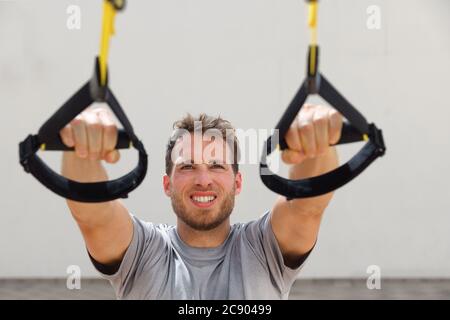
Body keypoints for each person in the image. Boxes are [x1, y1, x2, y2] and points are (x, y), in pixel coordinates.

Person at [60, 104, 343, 299]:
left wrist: (315, 145)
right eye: (187, 167)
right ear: (167, 185)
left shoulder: (264, 247)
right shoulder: (143, 252)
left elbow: (308, 204)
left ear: (238, 182)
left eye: (217, 166)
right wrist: (81, 149)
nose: (203, 180)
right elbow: (93, 214)